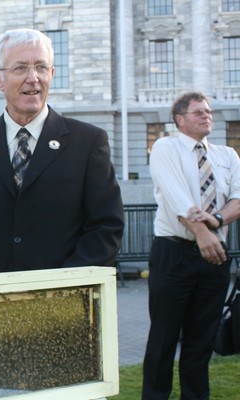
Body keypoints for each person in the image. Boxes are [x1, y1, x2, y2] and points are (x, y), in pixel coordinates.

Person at [0, 28, 124, 276]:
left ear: (52, 74)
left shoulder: (88, 142)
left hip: (65, 303)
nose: (33, 77)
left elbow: (106, 227)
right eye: (21, 68)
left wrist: (61, 288)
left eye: (41, 67)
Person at [142, 91, 240, 400]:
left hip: (215, 257)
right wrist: (202, 233)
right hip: (174, 253)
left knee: (201, 342)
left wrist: (215, 222)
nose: (206, 115)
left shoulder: (228, 156)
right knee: (163, 339)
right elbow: (176, 197)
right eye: (198, 112)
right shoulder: (165, 147)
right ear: (180, 120)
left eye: (208, 111)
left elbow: (238, 199)